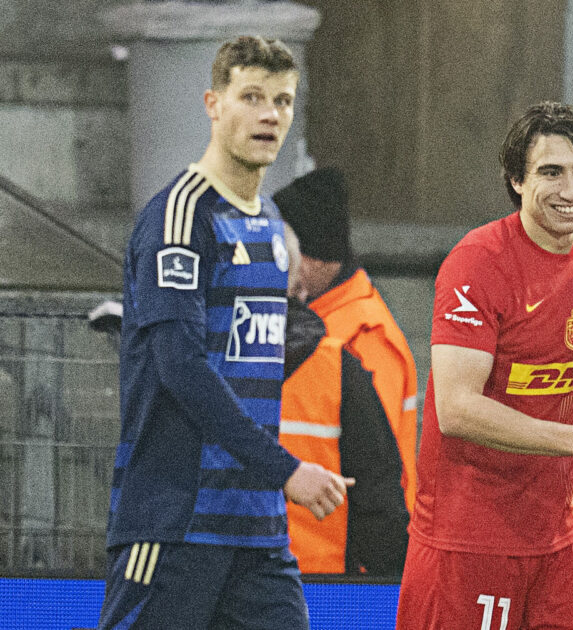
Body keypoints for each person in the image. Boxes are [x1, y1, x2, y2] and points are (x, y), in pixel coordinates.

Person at [97, 36, 351, 630]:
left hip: (257, 530)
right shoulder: (181, 217)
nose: (270, 114)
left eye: (283, 101)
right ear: (214, 103)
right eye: (252, 97)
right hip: (176, 520)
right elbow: (181, 367)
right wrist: (287, 470)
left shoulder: (268, 226)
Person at [395, 102, 573, 630]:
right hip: (468, 541)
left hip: (558, 540)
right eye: (550, 172)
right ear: (515, 179)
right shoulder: (478, 262)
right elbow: (458, 410)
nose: (571, 190)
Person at [274, 166, 420, 513]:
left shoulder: (366, 335)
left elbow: (376, 468)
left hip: (352, 553)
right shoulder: (316, 319)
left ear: (313, 258)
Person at [278, 224, 409, 576]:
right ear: (297, 286)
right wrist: (395, 579)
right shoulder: (337, 367)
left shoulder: (198, 368)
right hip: (326, 590)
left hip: (221, 585)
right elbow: (376, 495)